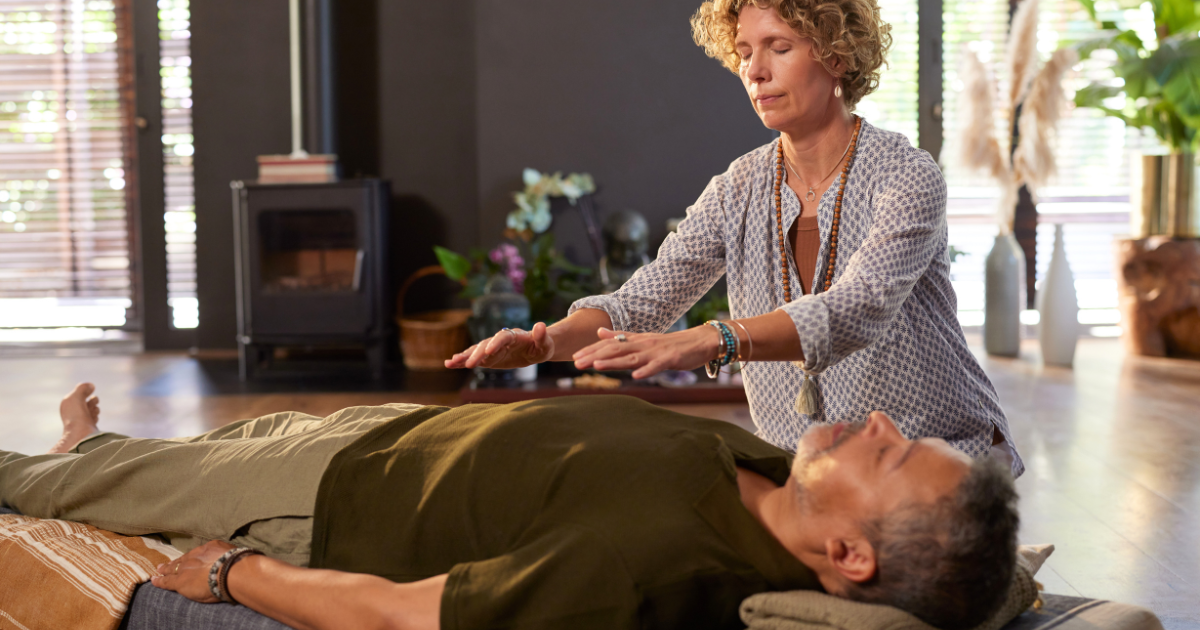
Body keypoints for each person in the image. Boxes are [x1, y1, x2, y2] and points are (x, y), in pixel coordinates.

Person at [444, 0, 1022, 477]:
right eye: (745, 53)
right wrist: (550, 344)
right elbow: (644, 299)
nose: (755, 71)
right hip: (810, 469)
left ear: (837, 55)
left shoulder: (906, 174)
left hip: (939, 455)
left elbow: (857, 310)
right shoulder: (738, 187)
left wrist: (713, 339)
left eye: (779, 47)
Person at [1, 383, 1018, 630]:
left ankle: (58, 465)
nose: (878, 420)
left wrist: (234, 574)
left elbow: (411, 615)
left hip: (328, 497)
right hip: (390, 436)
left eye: (890, 457)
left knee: (45, 493)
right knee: (144, 461)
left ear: (849, 557)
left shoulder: (651, 565)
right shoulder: (773, 482)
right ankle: (90, 452)